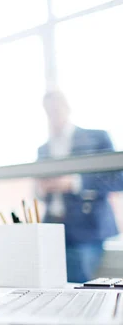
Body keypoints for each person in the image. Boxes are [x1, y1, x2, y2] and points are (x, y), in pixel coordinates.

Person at [36, 90, 123, 283]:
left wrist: (75, 183)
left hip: (86, 229)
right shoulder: (43, 149)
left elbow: (118, 179)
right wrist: (42, 189)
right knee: (48, 286)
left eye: (56, 108)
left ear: (67, 107)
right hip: (52, 228)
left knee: (76, 286)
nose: (53, 114)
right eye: (48, 111)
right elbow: (39, 192)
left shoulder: (96, 138)